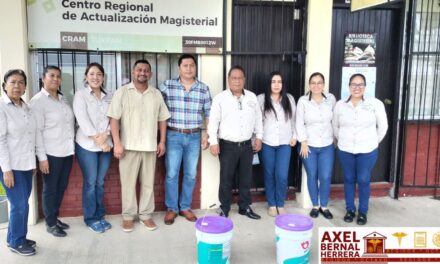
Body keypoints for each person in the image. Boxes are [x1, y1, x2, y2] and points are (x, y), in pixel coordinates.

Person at [107, 59, 170, 232]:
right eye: (139, 70)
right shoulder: (122, 92)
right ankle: (128, 217)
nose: (142, 73)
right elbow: (114, 119)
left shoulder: (156, 94)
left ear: (150, 74)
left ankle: (146, 216)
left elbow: (162, 118)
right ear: (133, 72)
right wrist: (117, 143)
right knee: (127, 184)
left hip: (150, 147)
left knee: (148, 184)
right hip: (128, 147)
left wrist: (162, 141)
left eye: (145, 70)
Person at [159, 54, 211, 225]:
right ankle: (172, 208)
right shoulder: (167, 86)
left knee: (190, 174)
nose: (189, 68)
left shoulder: (203, 88)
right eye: (185, 65)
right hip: (173, 135)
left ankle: (185, 207)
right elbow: (158, 110)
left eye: (192, 65)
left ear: (195, 68)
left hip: (194, 136)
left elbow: (209, 113)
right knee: (172, 173)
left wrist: (207, 134)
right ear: (179, 68)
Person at [0, 69, 46, 256]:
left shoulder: (26, 108)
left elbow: (33, 136)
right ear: (4, 85)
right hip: (11, 166)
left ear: (25, 86)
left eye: (21, 82)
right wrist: (6, 170)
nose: (17, 86)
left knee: (21, 203)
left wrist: (34, 162)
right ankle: (17, 242)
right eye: (13, 82)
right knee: (20, 205)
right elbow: (1, 141)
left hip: (26, 165)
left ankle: (15, 237)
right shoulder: (2, 108)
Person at [208, 65, 263, 220]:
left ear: (244, 80)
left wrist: (259, 137)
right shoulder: (220, 98)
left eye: (240, 78)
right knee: (226, 178)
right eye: (234, 78)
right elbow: (213, 122)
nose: (237, 81)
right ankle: (224, 208)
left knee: (246, 178)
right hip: (227, 146)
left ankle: (244, 207)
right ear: (228, 80)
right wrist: (213, 142)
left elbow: (258, 118)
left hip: (247, 145)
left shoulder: (252, 97)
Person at [333, 73, 388, 225]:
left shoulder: (375, 104)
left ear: (365, 87)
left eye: (360, 85)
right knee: (349, 179)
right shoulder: (340, 105)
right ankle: (350, 209)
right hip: (345, 149)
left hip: (367, 150)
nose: (357, 88)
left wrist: (373, 142)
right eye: (354, 85)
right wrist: (343, 140)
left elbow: (383, 126)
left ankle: (363, 212)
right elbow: (335, 126)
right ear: (349, 86)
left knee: (363, 179)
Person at [30, 66, 75, 237]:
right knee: (50, 189)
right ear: (43, 78)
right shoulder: (38, 101)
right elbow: (37, 132)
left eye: (58, 76)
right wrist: (42, 158)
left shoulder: (62, 99)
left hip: (66, 152)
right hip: (50, 154)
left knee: (61, 187)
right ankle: (50, 223)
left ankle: (54, 218)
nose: (55, 79)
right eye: (51, 76)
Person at [73, 63, 113, 233]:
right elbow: (83, 121)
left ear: (103, 77)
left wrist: (107, 134)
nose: (95, 77)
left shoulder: (109, 96)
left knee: (100, 182)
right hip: (87, 145)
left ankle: (100, 214)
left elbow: (114, 118)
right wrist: (100, 140)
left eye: (98, 74)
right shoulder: (80, 95)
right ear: (86, 76)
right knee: (90, 183)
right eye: (91, 74)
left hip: (105, 146)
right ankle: (90, 218)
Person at [296, 72, 336, 219]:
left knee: (325, 176)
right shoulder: (303, 101)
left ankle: (324, 206)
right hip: (309, 145)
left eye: (319, 82)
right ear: (309, 84)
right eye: (313, 82)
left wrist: (335, 138)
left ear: (323, 85)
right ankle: (315, 205)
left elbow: (335, 120)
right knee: (312, 175)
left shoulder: (330, 99)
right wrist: (303, 142)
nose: (316, 85)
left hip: (327, 144)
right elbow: (299, 122)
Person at [257, 71, 297, 217]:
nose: (276, 84)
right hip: (267, 143)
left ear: (283, 84)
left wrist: (295, 136)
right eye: (273, 81)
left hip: (285, 143)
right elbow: (257, 121)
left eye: (279, 81)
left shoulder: (289, 99)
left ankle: (280, 203)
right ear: (269, 83)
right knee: (268, 174)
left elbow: (295, 120)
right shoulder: (261, 99)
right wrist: (257, 138)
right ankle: (272, 204)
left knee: (281, 175)